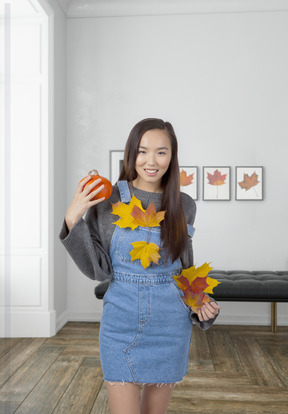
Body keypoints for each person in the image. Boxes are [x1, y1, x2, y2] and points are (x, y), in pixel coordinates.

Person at [60, 118, 220, 414]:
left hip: (170, 324)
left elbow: (185, 269)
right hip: (120, 323)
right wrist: (73, 219)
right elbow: (99, 269)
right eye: (142, 151)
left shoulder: (184, 205)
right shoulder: (107, 200)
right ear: (131, 153)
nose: (151, 161)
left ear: (172, 157)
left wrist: (201, 304)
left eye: (162, 152)